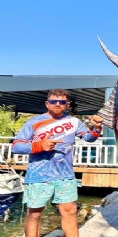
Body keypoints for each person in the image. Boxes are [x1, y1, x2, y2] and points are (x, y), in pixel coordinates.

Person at [12, 89, 103, 237]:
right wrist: (39, 145)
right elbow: (16, 146)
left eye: (62, 102)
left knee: (70, 211)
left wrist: (97, 128)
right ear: (47, 104)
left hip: (65, 176)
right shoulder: (33, 122)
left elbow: (89, 137)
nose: (58, 104)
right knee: (34, 214)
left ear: (67, 105)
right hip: (38, 176)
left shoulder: (73, 121)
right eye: (54, 101)